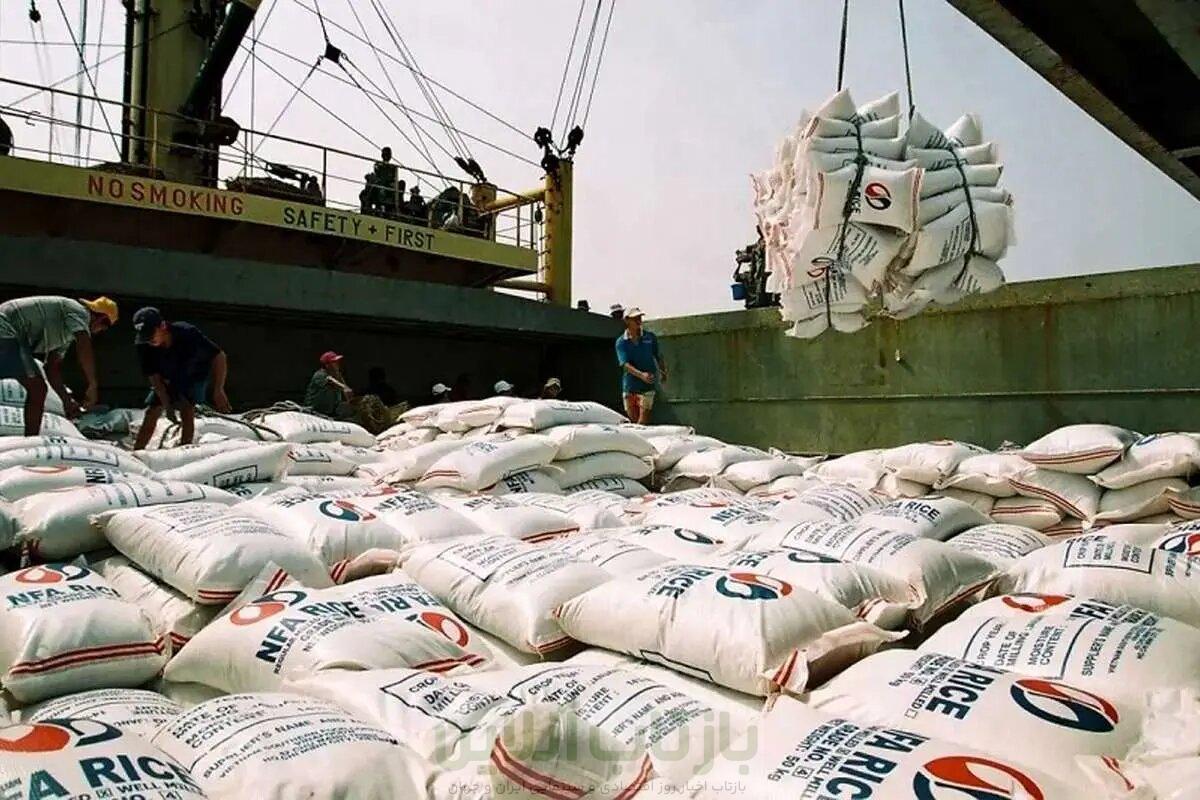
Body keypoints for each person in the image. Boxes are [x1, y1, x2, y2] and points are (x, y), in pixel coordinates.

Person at [0, 295, 116, 434]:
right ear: (101, 318)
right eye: (104, 326)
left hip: (11, 333)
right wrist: (92, 384)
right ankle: (32, 438)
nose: (101, 331)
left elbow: (52, 369)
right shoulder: (80, 312)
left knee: (37, 387)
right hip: (7, 327)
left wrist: (66, 401)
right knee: (37, 388)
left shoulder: (65, 335)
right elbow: (83, 344)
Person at [131, 307, 230, 449]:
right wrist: (167, 406)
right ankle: (137, 451)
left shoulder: (187, 333)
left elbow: (219, 356)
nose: (149, 340)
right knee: (152, 410)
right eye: (145, 336)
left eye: (151, 334)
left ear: (163, 326)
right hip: (167, 376)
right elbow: (155, 378)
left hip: (193, 373)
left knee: (186, 408)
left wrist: (218, 389)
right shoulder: (144, 346)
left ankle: (185, 448)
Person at [615, 307, 666, 424]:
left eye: (640, 317)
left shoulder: (650, 337)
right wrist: (641, 375)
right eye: (635, 318)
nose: (639, 321)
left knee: (642, 422)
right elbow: (625, 364)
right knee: (633, 423)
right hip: (630, 387)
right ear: (627, 320)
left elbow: (658, 355)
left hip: (647, 387)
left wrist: (663, 372)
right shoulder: (621, 342)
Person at [305, 351, 353, 418]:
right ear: (327, 365)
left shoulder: (337, 375)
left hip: (330, 412)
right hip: (314, 411)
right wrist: (343, 387)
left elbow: (347, 392)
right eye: (334, 362)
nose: (337, 364)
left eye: (337, 362)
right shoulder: (320, 375)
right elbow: (330, 380)